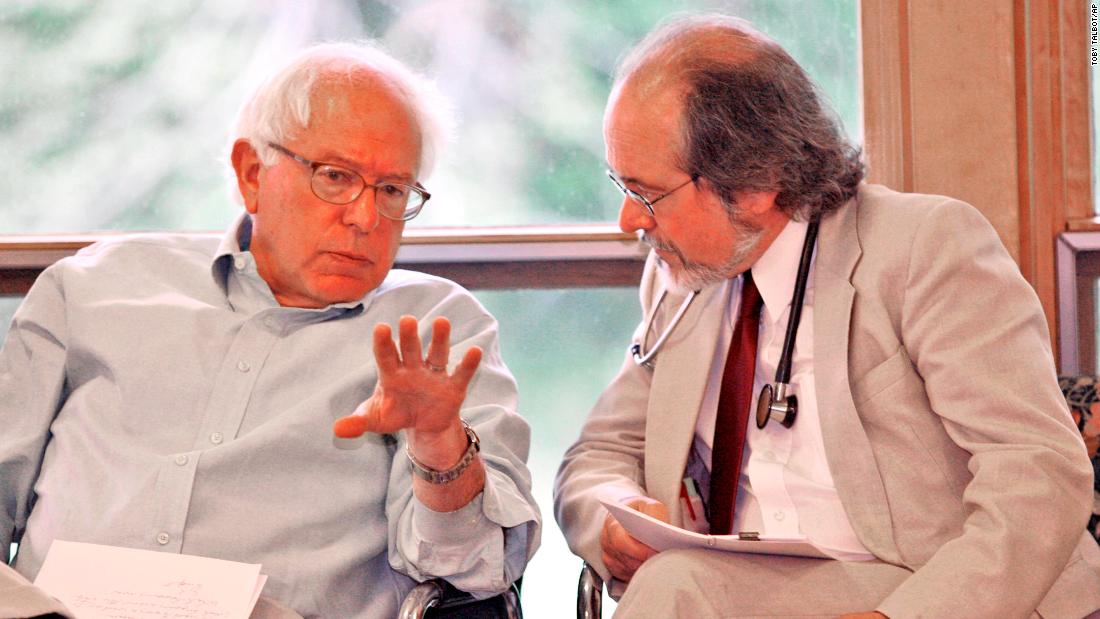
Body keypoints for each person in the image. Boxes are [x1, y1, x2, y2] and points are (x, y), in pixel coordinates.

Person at [553, 13, 1100, 618]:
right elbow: (597, 455)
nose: (629, 221)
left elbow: (1038, 474)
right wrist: (615, 516)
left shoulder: (926, 247)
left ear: (755, 184)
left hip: (929, 589)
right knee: (671, 584)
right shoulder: (682, 278)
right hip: (758, 589)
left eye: (646, 193)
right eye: (621, 187)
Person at [0, 42, 540, 618]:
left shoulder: (434, 332)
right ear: (252, 173)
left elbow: (476, 570)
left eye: (392, 191)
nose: (364, 217)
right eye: (336, 177)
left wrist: (438, 443)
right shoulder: (93, 289)